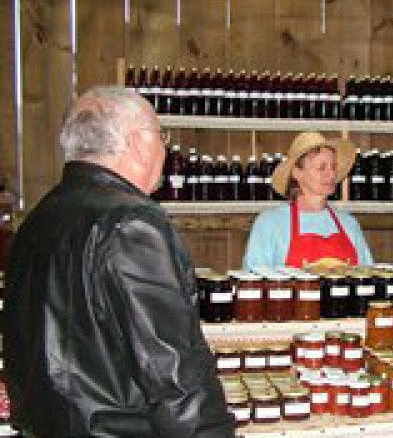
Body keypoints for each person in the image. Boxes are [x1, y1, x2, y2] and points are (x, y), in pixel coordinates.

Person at [3, 86, 235, 437]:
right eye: (161, 135)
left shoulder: (39, 219)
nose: (164, 148)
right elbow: (172, 372)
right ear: (138, 143)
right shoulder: (132, 223)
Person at [243, 131, 373, 270]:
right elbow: (252, 285)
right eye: (321, 167)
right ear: (297, 173)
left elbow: (368, 277)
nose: (331, 174)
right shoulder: (270, 224)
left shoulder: (349, 224)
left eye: (333, 167)